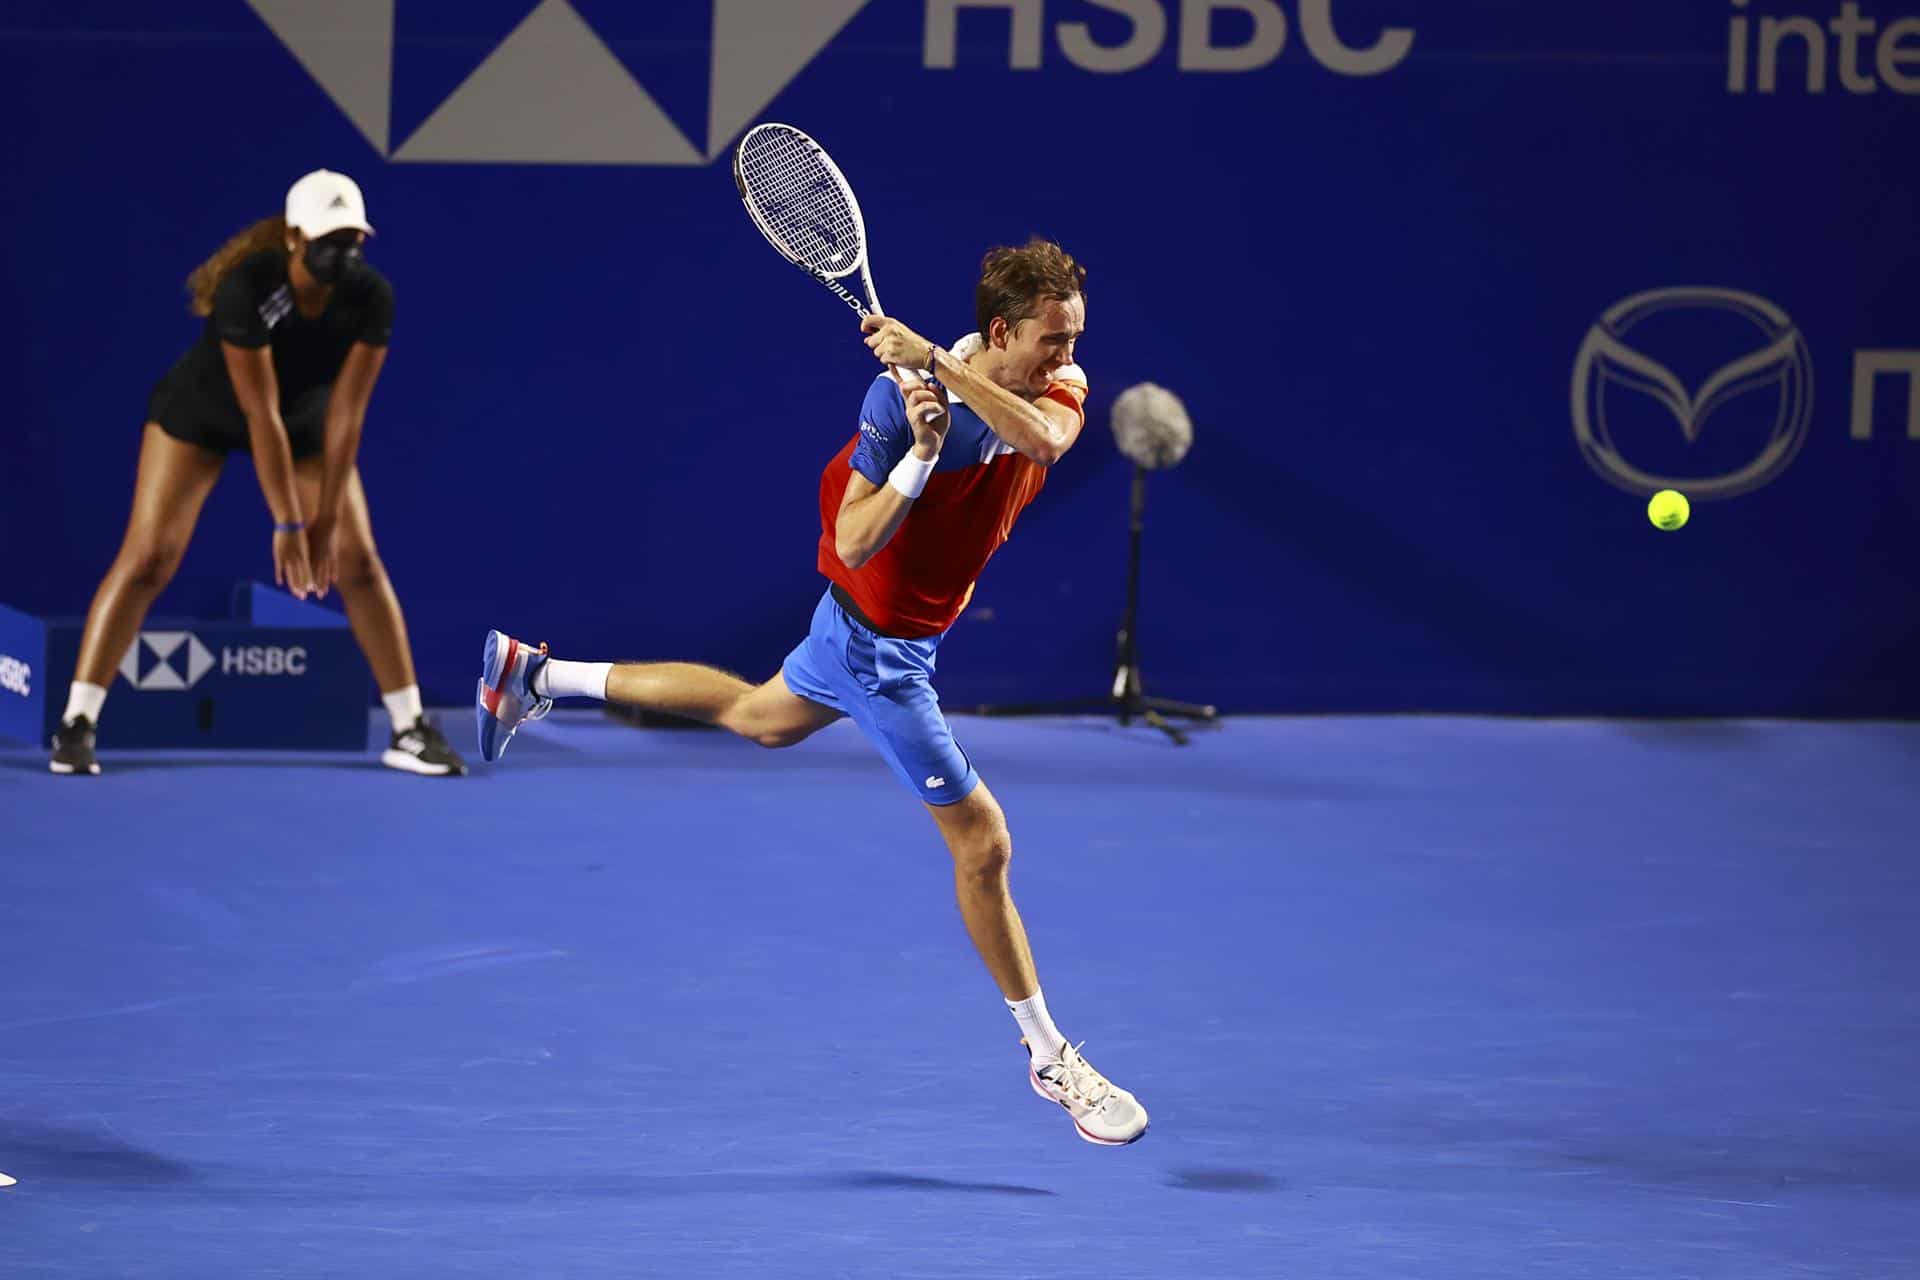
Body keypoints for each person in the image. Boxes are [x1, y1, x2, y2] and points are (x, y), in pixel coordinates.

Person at [477, 238, 1146, 1145]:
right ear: (1002, 330)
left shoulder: (1046, 388)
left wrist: (941, 365)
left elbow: (1047, 441)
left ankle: (532, 674)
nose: (1069, 359)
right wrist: (918, 454)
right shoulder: (896, 399)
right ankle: (1048, 1057)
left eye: (1073, 339)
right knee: (983, 845)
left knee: (758, 718)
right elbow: (860, 537)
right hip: (880, 650)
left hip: (874, 630)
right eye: (1053, 341)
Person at [48, 170, 467, 778]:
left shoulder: (372, 297)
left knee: (358, 561)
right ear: (295, 238)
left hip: (305, 425)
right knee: (148, 558)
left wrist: (325, 520)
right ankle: (77, 723)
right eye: (329, 240)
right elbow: (257, 414)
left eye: (353, 240)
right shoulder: (247, 288)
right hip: (204, 413)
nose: (342, 254)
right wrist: (290, 522)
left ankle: (409, 729)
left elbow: (348, 416)